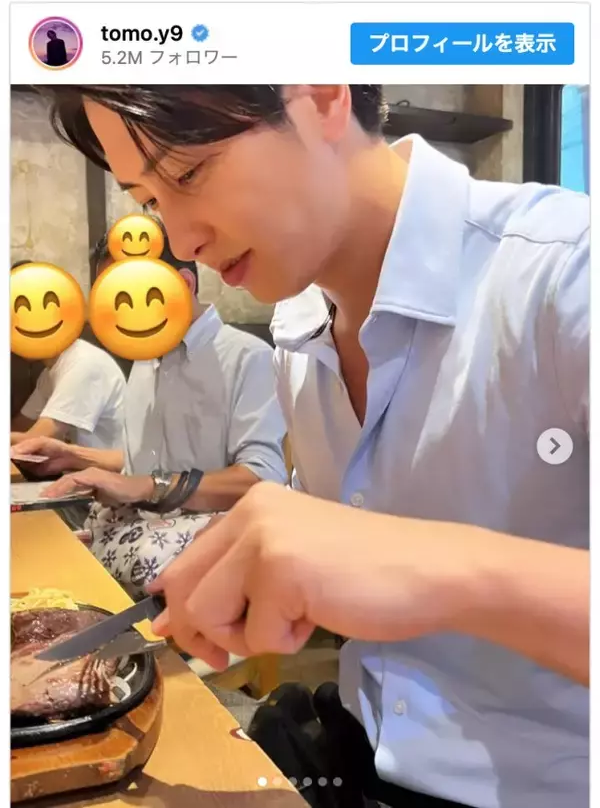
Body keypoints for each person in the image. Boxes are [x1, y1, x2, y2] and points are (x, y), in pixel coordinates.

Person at [38, 85, 589, 808]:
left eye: (187, 173)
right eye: (149, 201)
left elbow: (379, 554)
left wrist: (420, 567)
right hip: (356, 755)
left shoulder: (566, 272)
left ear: (322, 93)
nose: (180, 241)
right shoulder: (300, 324)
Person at [13, 220, 289, 599]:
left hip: (200, 544)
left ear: (184, 285)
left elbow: (260, 480)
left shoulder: (248, 358)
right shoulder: (146, 361)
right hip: (131, 528)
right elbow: (143, 463)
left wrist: (148, 487)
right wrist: (72, 456)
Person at [11, 261, 126, 450]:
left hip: (113, 467)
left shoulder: (83, 363)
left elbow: (35, 439)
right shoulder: (49, 375)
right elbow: (21, 426)